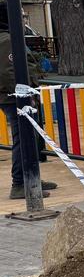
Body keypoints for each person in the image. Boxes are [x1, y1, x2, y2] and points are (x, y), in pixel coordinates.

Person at [1, 26, 58, 200]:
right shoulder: (7, 40)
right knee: (24, 138)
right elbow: (8, 72)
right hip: (15, 99)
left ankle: (31, 177)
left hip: (10, 97)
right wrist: (24, 95)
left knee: (29, 137)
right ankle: (20, 183)